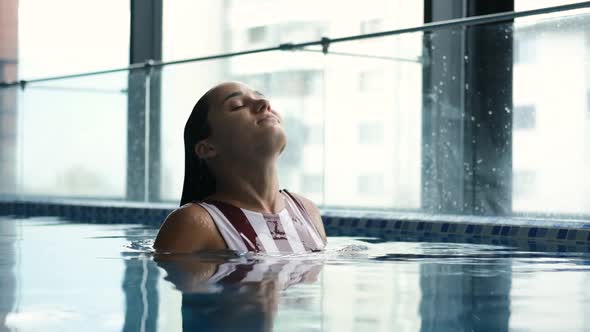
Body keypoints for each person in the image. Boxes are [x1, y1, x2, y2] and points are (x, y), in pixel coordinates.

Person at [154, 81, 327, 254]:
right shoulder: (195, 224)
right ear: (208, 148)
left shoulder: (307, 212)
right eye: (238, 106)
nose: (265, 104)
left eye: (262, 98)